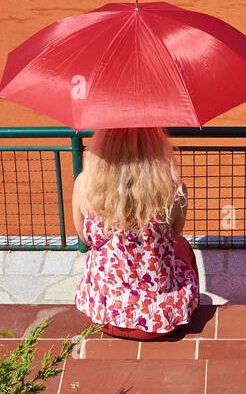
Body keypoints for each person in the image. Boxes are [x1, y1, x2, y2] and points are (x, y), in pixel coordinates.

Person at [73, 127, 200, 340]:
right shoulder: (173, 188)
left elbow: (85, 239)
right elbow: (175, 234)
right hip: (159, 320)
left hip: (102, 315)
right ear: (156, 147)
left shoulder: (84, 185)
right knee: (183, 247)